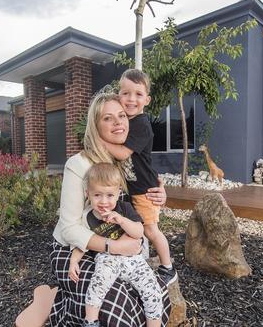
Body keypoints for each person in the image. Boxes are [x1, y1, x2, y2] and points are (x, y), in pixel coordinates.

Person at [49, 92, 171, 326]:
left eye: (122, 115)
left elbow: (138, 205)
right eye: (107, 118)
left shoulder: (127, 161)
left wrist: (160, 194)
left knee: (154, 294)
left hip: (118, 244)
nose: (118, 122)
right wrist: (115, 246)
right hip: (75, 248)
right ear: (95, 126)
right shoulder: (79, 164)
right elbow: (69, 229)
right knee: (114, 308)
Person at [102, 69, 177, 286]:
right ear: (118, 95)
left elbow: (123, 153)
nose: (131, 99)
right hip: (135, 188)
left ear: (147, 99)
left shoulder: (141, 124)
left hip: (146, 190)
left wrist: (98, 140)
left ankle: (168, 268)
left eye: (138, 94)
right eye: (126, 93)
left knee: (151, 230)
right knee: (137, 229)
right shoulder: (124, 121)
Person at [69, 163, 163, 327]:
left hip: (134, 260)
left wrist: (121, 220)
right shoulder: (87, 217)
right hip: (107, 259)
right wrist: (73, 261)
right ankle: (91, 322)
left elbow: (139, 232)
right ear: (87, 194)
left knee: (152, 290)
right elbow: (83, 242)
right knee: (97, 285)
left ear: (118, 193)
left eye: (110, 195)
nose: (104, 201)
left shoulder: (124, 209)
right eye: (97, 195)